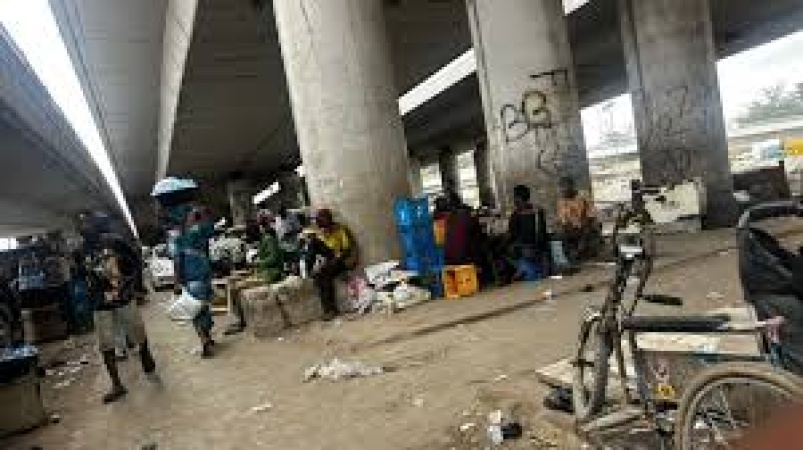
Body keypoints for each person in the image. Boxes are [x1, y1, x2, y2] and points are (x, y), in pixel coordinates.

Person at [79, 212, 156, 404]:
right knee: (105, 343)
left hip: (122, 297)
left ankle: (145, 352)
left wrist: (131, 284)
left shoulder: (115, 242)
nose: (84, 227)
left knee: (136, 330)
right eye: (82, 224)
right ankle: (116, 384)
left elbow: (136, 262)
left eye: (88, 222)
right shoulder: (81, 249)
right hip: (99, 303)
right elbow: (83, 273)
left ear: (98, 226)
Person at [152, 177, 217, 358]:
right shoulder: (198, 216)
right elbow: (210, 235)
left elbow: (176, 256)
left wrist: (177, 281)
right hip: (204, 267)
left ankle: (204, 341)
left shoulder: (174, 228)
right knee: (203, 304)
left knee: (195, 308)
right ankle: (208, 337)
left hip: (190, 272)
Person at [309, 209, 357, 320]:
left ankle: (332, 310)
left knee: (325, 275)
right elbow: (322, 250)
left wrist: (336, 259)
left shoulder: (340, 229)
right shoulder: (322, 232)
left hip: (341, 258)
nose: (323, 229)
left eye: (324, 225)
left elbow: (347, 249)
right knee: (318, 276)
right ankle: (327, 309)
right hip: (329, 258)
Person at [507, 185, 549, 281]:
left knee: (503, 250)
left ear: (518, 198)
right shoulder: (539, 210)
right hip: (541, 248)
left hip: (526, 250)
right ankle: (524, 269)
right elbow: (543, 230)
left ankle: (521, 269)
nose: (514, 200)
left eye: (514, 197)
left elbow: (511, 235)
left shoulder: (516, 214)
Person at [556, 177, 600, 264]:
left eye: (565, 188)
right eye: (561, 188)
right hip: (572, 231)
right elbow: (563, 221)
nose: (563, 191)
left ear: (572, 186)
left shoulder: (583, 197)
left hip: (586, 228)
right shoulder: (561, 202)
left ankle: (588, 252)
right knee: (561, 236)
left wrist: (583, 235)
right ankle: (572, 257)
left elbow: (591, 216)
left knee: (588, 234)